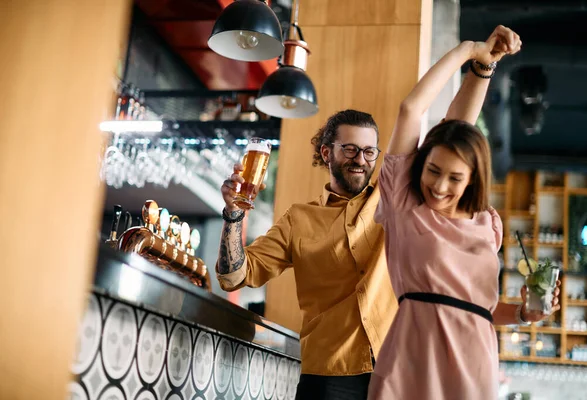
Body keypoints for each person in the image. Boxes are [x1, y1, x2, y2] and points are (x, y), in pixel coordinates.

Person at [217, 25, 528, 400]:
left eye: (369, 152)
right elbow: (235, 277)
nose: (361, 160)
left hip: (398, 367)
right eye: (349, 149)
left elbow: (454, 131)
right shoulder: (299, 220)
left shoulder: (395, 199)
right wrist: (234, 215)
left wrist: (481, 67)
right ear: (326, 153)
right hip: (328, 375)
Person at [366, 28, 561, 399]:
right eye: (433, 171)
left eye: (455, 178)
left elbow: (479, 307)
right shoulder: (405, 204)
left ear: (472, 180)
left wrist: (523, 314)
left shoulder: (487, 224)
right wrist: (469, 53)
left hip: (475, 367)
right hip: (412, 362)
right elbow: (412, 109)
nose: (439, 187)